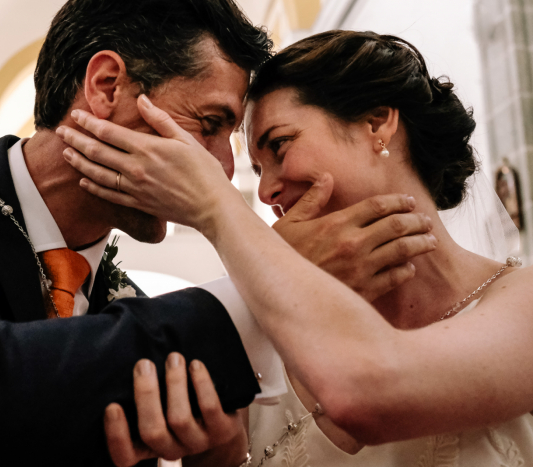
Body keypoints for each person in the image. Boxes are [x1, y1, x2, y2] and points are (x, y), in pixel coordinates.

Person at [0, 3, 437, 465]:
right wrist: (263, 289)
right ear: (106, 86)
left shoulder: (139, 319)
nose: (225, 171)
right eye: (209, 123)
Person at [59, 30, 533, 466]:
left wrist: (217, 208)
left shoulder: (523, 302)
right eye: (257, 169)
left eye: (280, 146)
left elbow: (370, 393)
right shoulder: (262, 347)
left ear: (377, 123)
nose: (265, 193)